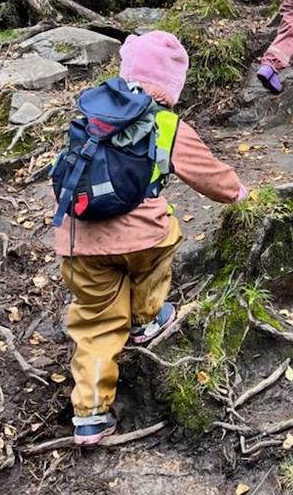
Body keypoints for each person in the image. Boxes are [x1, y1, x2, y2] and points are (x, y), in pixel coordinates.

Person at [53, 30, 247, 446]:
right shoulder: (166, 124)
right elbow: (209, 176)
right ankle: (146, 318)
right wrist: (241, 195)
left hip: (78, 241)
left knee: (96, 323)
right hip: (143, 239)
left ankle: (90, 416)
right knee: (162, 242)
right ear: (172, 86)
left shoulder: (93, 114)